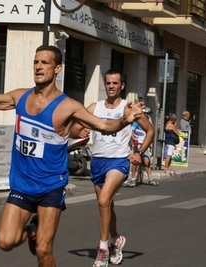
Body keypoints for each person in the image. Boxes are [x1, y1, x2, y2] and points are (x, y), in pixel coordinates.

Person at [0, 46, 144, 267]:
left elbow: (104, 126)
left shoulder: (68, 106)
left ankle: (39, 233)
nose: (38, 67)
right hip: (22, 184)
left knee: (43, 250)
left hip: (50, 186)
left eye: (45, 63)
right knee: (6, 241)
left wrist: (124, 120)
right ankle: (32, 227)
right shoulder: (20, 96)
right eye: (35, 62)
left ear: (58, 68)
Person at [72, 69, 154, 267]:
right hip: (99, 161)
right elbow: (75, 126)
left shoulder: (130, 108)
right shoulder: (94, 107)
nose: (111, 86)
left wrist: (139, 153)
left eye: (115, 83)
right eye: (108, 83)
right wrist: (80, 130)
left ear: (122, 86)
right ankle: (116, 239)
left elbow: (150, 130)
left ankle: (103, 249)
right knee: (105, 206)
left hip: (119, 161)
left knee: (103, 200)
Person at [125, 107, 158, 186]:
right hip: (137, 143)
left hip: (144, 144)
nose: (149, 116)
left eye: (149, 114)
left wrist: (149, 144)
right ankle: (133, 179)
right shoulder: (137, 122)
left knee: (147, 161)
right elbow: (131, 132)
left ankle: (150, 179)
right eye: (148, 114)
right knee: (135, 162)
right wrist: (134, 139)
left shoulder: (149, 122)